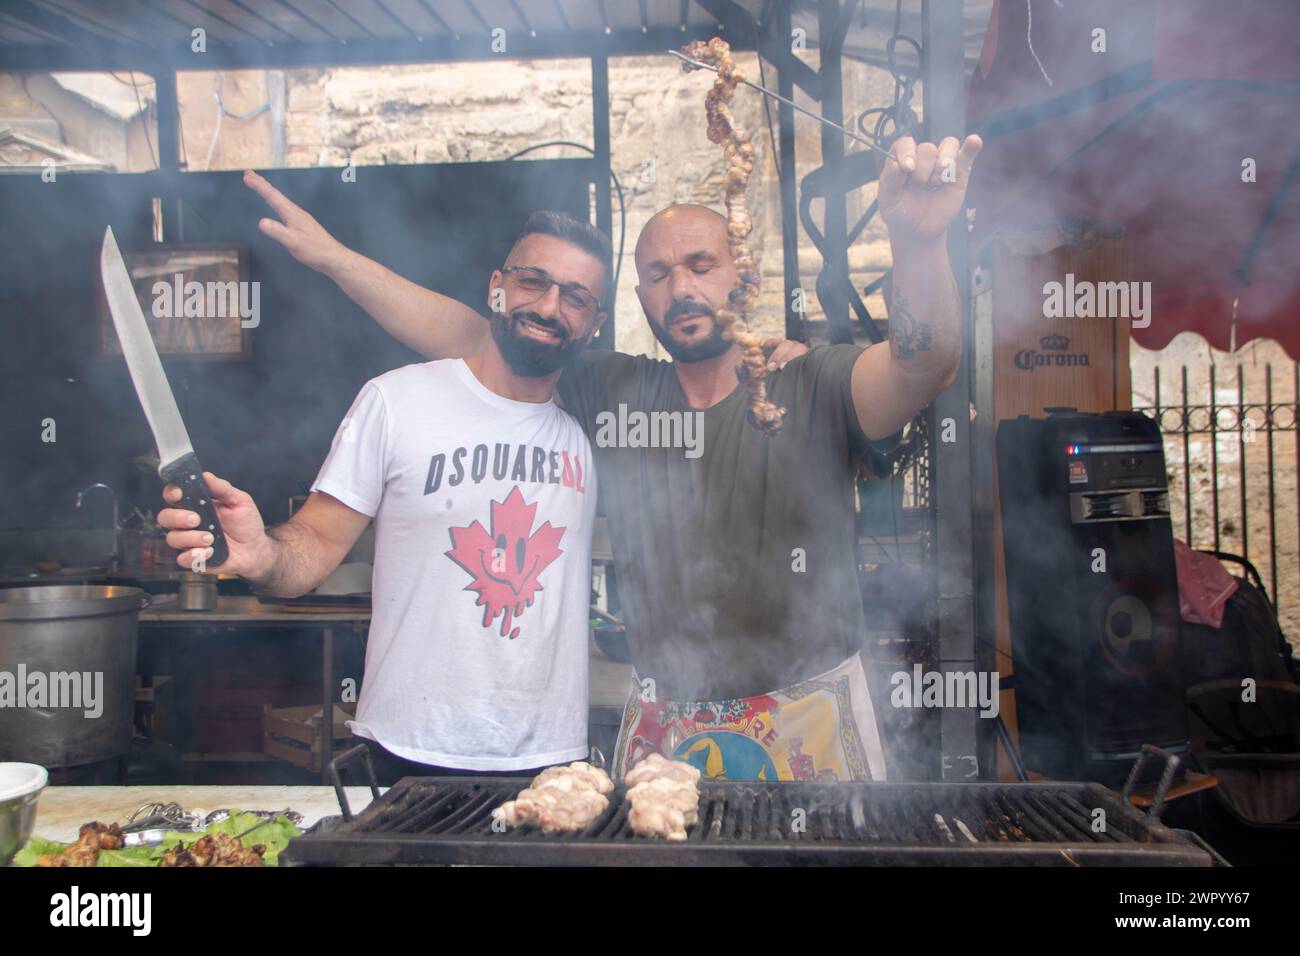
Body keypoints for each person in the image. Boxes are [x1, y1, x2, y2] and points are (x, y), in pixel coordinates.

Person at [240, 131, 981, 782]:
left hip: (811, 713)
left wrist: (919, 245)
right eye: (658, 275)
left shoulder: (813, 381)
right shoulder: (612, 388)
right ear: (635, 298)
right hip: (667, 726)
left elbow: (926, 362)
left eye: (700, 264)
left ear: (741, 275)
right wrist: (335, 260)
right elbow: (477, 334)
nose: (681, 287)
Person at [158, 210, 608, 784]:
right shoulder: (397, 401)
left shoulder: (594, 422)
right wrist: (262, 553)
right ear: (496, 288)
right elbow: (316, 543)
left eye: (574, 297)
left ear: (593, 324)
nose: (548, 307)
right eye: (533, 281)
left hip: (551, 763)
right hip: (406, 752)